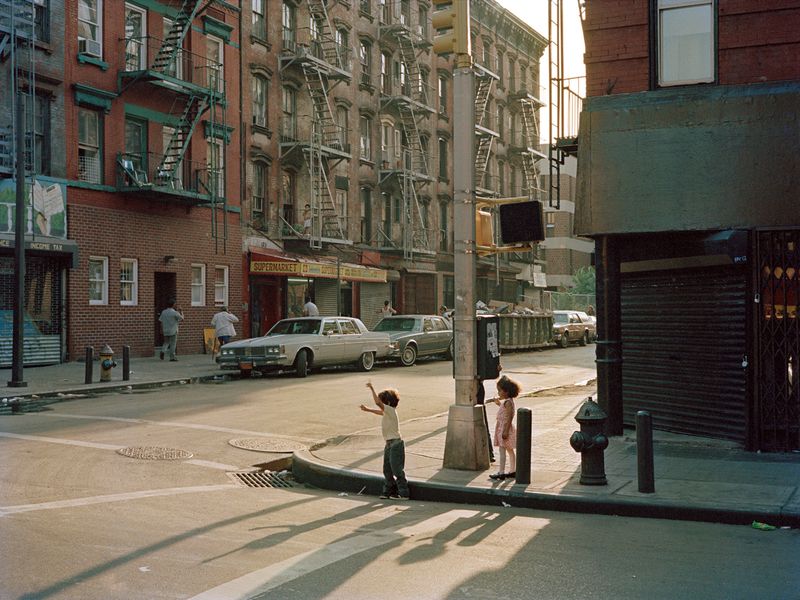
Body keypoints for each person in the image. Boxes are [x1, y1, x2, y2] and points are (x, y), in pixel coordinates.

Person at [360, 382, 409, 500]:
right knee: (387, 469)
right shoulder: (387, 412)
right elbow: (379, 411)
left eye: (382, 402)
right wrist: (367, 410)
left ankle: (403, 492)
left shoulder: (391, 411)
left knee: (397, 469)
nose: (379, 405)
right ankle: (389, 491)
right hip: (388, 444)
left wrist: (372, 388)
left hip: (396, 444)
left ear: (387, 403)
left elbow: (378, 403)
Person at [488, 374, 521, 481]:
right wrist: (498, 404)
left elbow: (509, 416)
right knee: (510, 450)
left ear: (506, 391)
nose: (498, 393)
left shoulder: (508, 403)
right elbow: (506, 412)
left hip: (504, 428)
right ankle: (512, 470)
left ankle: (501, 472)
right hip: (503, 427)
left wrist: (505, 431)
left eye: (499, 390)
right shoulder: (507, 402)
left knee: (503, 450)